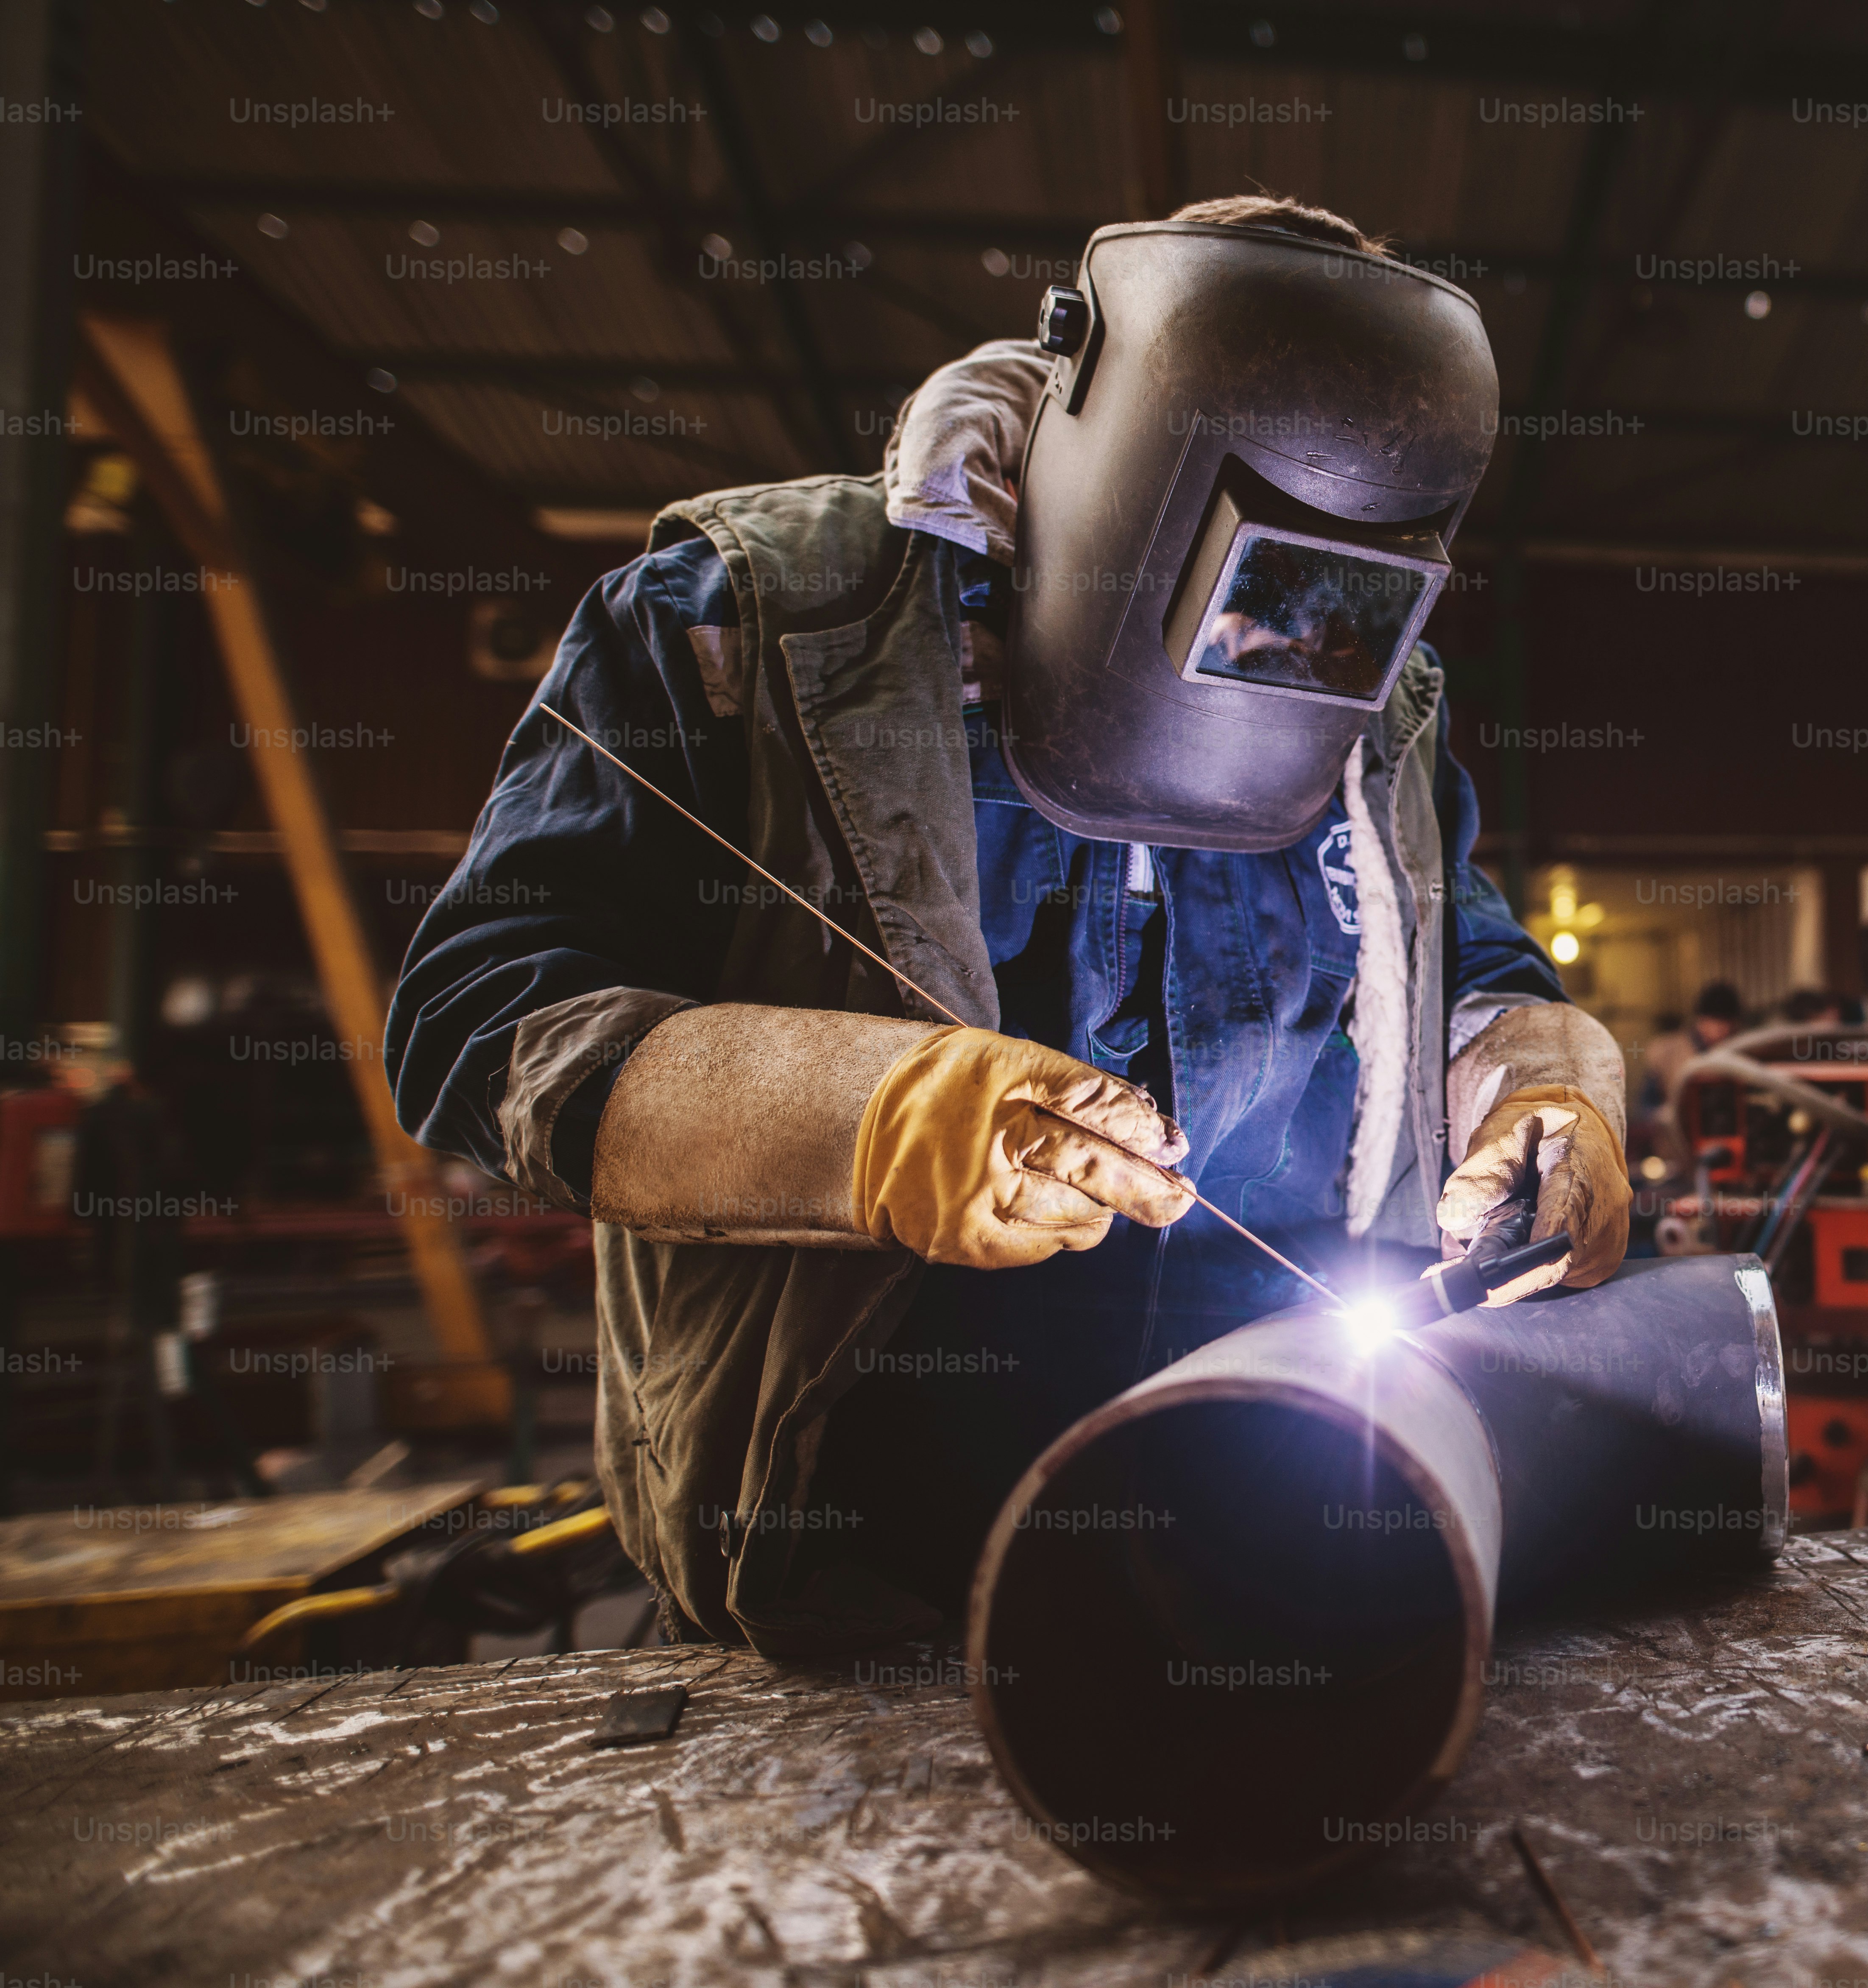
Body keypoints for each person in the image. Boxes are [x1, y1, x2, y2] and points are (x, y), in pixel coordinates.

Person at [385, 197, 1631, 1651]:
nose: (1288, 645)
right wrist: (868, 1119)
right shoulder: (747, 621)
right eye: (1240, 587)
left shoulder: (1381, 718)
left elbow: (1470, 976)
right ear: (1110, 447)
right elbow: (484, 1021)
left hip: (1292, 1568)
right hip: (864, 1601)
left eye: (1340, 598)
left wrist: (1551, 1097)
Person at [1633, 980, 1744, 1175]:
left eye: (1727, 1024)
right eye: (1715, 1022)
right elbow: (1646, 1106)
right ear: (1700, 1021)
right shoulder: (1666, 1053)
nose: (1721, 1030)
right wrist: (1663, 1115)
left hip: (1732, 1161)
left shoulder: (1745, 1056)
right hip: (1678, 1161)